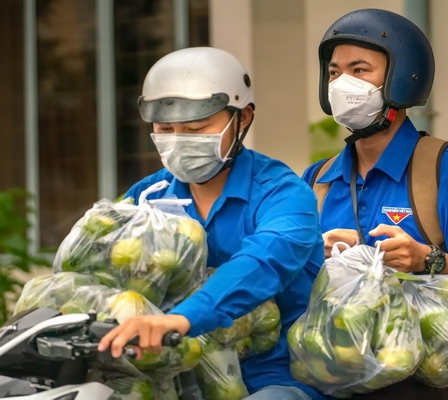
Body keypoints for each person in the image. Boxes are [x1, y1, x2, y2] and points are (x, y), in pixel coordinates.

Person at [98, 47, 327, 400]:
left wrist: (182, 319)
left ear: (243, 118)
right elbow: (102, 270)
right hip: (175, 374)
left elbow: (264, 261)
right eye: (165, 128)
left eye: (197, 127)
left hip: (276, 376)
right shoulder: (146, 197)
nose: (179, 139)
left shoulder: (284, 194)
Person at [302, 8, 448, 400]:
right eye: (334, 72)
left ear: (401, 79)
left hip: (429, 376)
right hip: (337, 371)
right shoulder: (316, 180)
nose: (343, 83)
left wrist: (426, 259)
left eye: (360, 70)